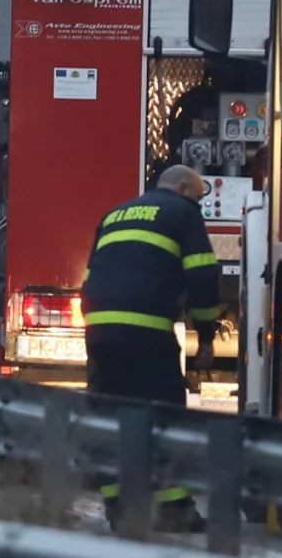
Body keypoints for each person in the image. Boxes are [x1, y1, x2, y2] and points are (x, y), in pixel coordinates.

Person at [79, 163, 220, 535]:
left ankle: (119, 509)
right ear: (186, 189)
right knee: (165, 417)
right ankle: (175, 511)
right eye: (201, 200)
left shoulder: (115, 214)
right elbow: (203, 273)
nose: (200, 207)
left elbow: (91, 277)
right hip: (145, 332)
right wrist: (205, 335)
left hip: (101, 333)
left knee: (110, 417)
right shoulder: (182, 213)